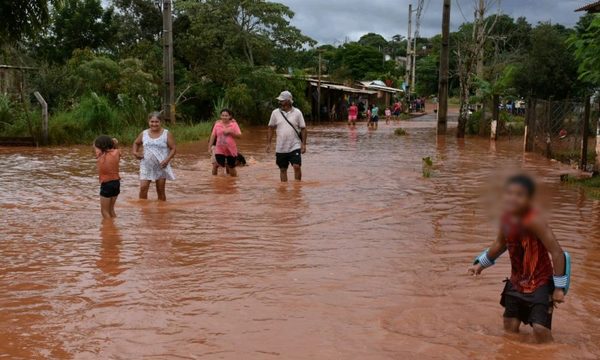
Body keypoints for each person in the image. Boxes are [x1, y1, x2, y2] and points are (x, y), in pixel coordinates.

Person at [467, 174, 569, 344]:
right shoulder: (506, 220)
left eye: (519, 195)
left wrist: (559, 288)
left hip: (540, 282)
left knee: (540, 330)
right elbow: (500, 244)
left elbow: (557, 252)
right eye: (509, 193)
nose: (513, 198)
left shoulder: (535, 221)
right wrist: (480, 265)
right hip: (516, 282)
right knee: (509, 328)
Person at [132, 112, 176, 201]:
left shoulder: (166, 134)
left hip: (161, 166)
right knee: (143, 188)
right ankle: (143, 211)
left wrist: (167, 160)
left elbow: (173, 149)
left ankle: (161, 212)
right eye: (152, 122)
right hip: (146, 165)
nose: (154, 124)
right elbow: (136, 143)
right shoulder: (144, 133)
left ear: (161, 122)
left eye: (157, 122)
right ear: (148, 122)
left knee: (160, 190)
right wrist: (135, 152)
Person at [266, 91, 307, 182]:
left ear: (289, 101)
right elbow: (270, 128)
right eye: (280, 100)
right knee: (283, 169)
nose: (280, 102)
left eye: (282, 100)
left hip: (294, 145)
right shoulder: (275, 113)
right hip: (280, 147)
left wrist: (303, 144)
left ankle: (297, 187)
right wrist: (268, 143)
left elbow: (303, 129)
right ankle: (283, 190)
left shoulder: (297, 112)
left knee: (296, 166)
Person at [208, 109, 242, 177]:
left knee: (231, 167)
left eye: (226, 115)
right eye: (223, 115)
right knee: (219, 164)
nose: (224, 117)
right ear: (220, 116)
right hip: (219, 149)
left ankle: (233, 181)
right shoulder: (217, 124)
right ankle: (218, 182)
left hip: (231, 150)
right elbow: (213, 135)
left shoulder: (234, 124)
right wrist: (209, 147)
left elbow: (239, 136)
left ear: (230, 116)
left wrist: (230, 132)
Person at [94, 135, 121, 219]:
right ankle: (114, 227)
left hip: (106, 184)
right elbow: (116, 147)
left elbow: (94, 145)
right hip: (116, 183)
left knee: (104, 211)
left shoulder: (100, 155)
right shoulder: (117, 153)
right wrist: (113, 142)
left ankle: (109, 230)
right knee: (111, 210)